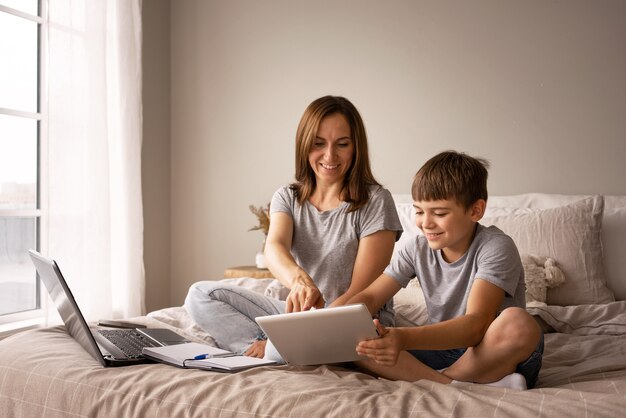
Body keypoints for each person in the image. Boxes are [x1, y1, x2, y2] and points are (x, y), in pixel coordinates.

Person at [184, 95, 403, 360]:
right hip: (303, 318)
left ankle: (277, 350)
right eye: (318, 144)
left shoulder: (377, 201)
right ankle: (270, 348)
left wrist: (292, 332)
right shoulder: (288, 196)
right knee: (199, 295)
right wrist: (300, 282)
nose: (330, 156)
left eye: (342, 144)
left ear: (356, 148)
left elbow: (360, 295)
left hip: (356, 319)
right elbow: (274, 248)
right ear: (304, 145)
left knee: (280, 348)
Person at [348, 150, 543, 390]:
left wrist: (403, 338)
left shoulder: (496, 246)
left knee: (518, 322)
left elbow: (476, 326)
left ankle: (436, 379)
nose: (425, 223)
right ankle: (456, 384)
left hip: (492, 351)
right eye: (419, 211)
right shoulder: (416, 248)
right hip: (443, 352)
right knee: (360, 343)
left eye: (439, 213)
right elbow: (370, 296)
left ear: (475, 211)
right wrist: (333, 318)